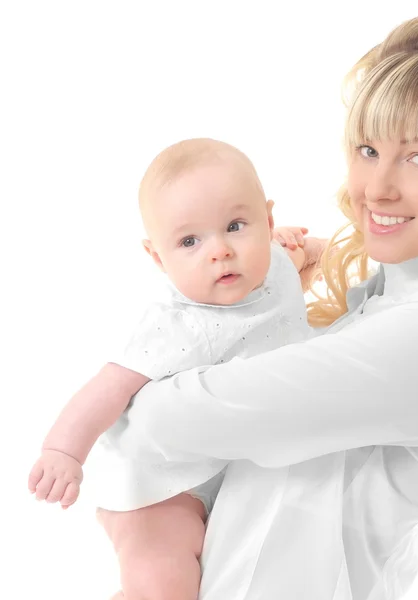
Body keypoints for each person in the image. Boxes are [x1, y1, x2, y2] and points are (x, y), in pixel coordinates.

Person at [100, 10, 418, 600]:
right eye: (368, 149)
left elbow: (167, 418)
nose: (377, 187)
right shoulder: (380, 306)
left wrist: (128, 390)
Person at [28, 137, 322, 599]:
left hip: (229, 470)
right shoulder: (176, 323)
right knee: (165, 582)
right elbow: (107, 389)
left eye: (236, 225)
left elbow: (326, 254)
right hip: (158, 489)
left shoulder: (280, 262)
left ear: (268, 221)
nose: (220, 250)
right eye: (190, 241)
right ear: (158, 258)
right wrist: (63, 452)